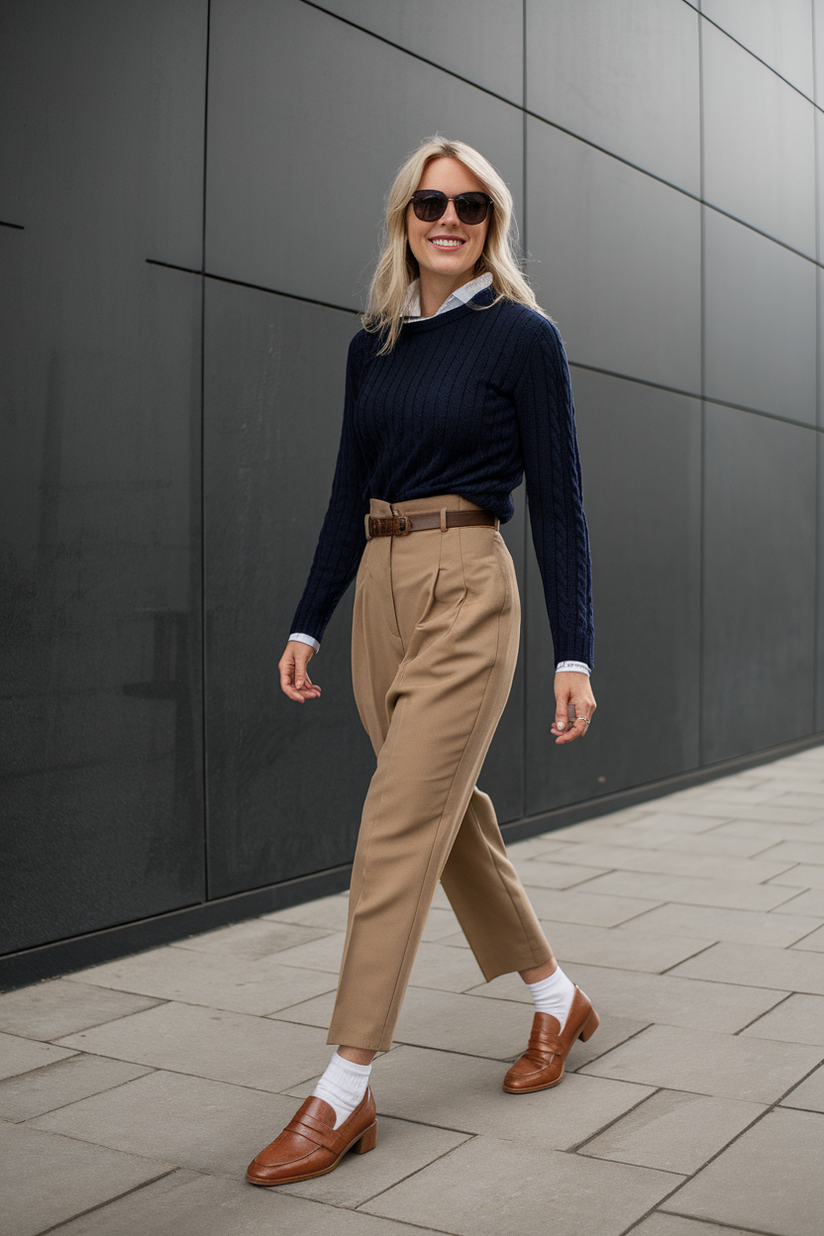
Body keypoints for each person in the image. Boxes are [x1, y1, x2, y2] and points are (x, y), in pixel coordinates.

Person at [246, 136, 598, 1187]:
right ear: (403, 216)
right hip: (379, 598)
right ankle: (553, 998)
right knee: (446, 818)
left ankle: (342, 1088)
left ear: (492, 223)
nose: (447, 220)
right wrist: (308, 620)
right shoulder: (374, 345)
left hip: (466, 583)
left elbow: (563, 506)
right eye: (428, 203)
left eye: (470, 206)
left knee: (396, 827)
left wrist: (573, 650)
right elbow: (345, 490)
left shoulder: (522, 338)